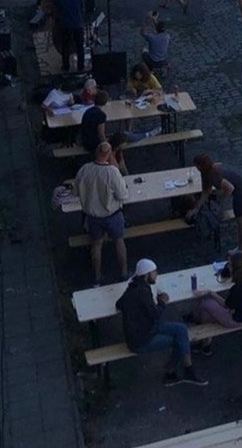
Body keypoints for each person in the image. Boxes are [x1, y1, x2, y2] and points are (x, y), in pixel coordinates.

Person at [116, 258, 207, 386]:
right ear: (146, 275)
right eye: (154, 272)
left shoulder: (134, 287)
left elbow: (119, 304)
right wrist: (162, 302)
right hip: (142, 340)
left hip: (147, 328)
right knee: (179, 341)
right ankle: (172, 373)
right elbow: (155, 314)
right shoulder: (143, 293)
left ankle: (186, 369)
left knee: (181, 329)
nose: (156, 274)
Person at [75, 141, 129, 285]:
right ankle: (123, 273)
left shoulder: (85, 169)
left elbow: (76, 191)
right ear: (109, 155)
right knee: (119, 241)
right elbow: (123, 195)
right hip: (112, 215)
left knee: (96, 245)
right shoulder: (112, 172)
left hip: (93, 217)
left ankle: (97, 276)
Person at [193, 251, 242, 332]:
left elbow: (226, 305)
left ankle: (196, 318)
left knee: (205, 301)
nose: (228, 266)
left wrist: (211, 293)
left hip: (235, 320)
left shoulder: (238, 288)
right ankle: (206, 339)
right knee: (205, 314)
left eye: (230, 264)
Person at [53, 0, 87, 74]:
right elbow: (83, 10)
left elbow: (55, 4)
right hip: (78, 25)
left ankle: (65, 66)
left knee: (65, 46)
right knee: (80, 47)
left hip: (65, 25)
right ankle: (81, 66)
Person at [77, 88, 111, 154]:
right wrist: (106, 144)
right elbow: (101, 134)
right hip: (93, 143)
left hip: (85, 139)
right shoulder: (101, 115)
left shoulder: (88, 111)